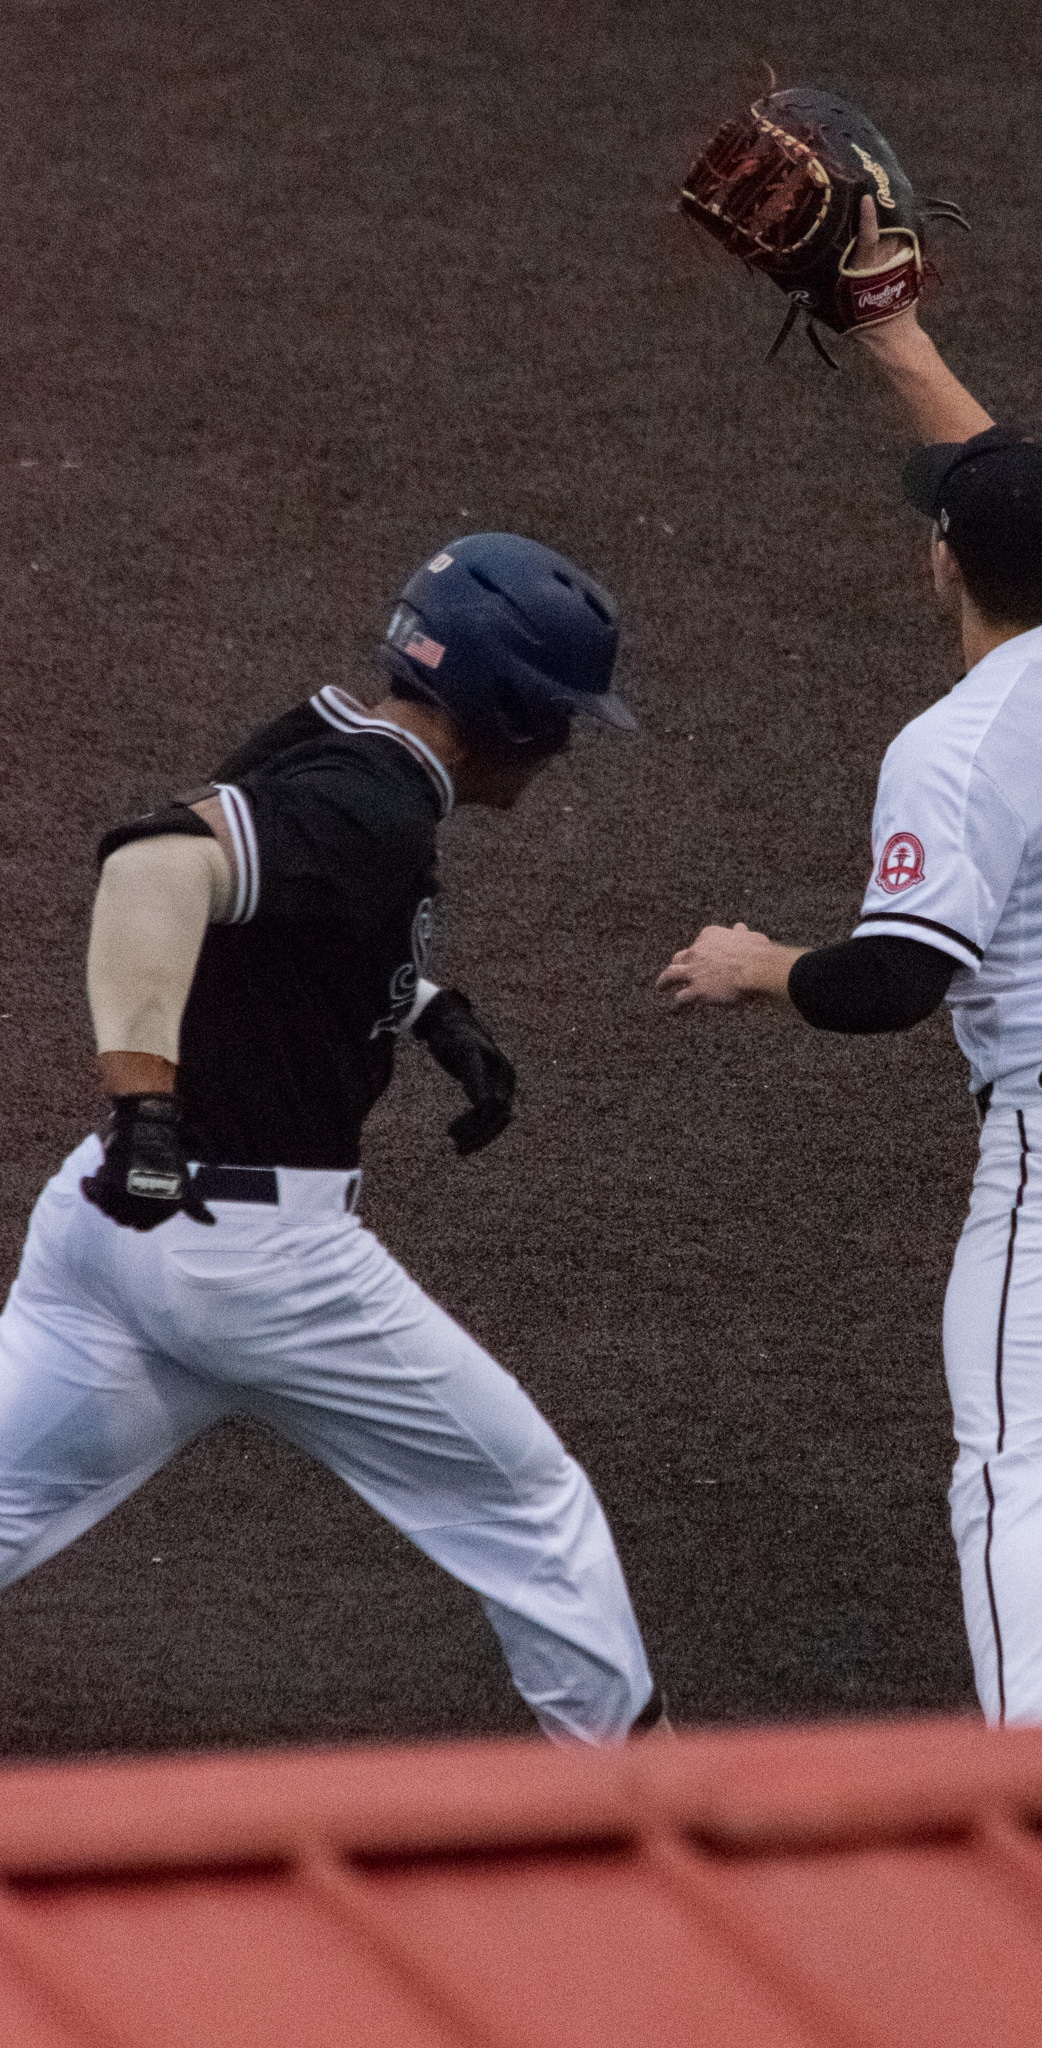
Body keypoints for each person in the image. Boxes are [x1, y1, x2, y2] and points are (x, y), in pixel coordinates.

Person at [659, 200, 1042, 1727]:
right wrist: (895, 341)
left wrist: (755, 966)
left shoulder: (953, 754)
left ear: (944, 562)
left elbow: (894, 982)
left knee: (1009, 1471)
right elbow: (1015, 479)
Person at [0, 531, 664, 1744]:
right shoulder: (371, 809)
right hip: (256, 1261)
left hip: (109, 1225)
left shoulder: (328, 739)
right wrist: (146, 1091)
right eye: (559, 715)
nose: (564, 747)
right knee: (530, 1504)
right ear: (511, 710)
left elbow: (279, 924)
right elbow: (150, 869)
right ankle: (653, 1812)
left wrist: (428, 1008)